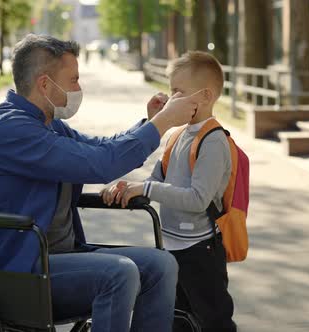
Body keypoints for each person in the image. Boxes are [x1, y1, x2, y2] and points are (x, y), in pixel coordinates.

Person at [0, 34, 202, 332]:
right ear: (44, 84)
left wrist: (150, 121)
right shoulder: (8, 129)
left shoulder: (49, 125)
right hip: (20, 270)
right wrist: (164, 123)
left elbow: (102, 148)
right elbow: (100, 165)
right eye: (74, 79)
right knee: (120, 274)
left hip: (60, 258)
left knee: (161, 265)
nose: (79, 88)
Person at [101, 51, 237, 331]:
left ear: (206, 96)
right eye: (171, 90)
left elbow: (198, 199)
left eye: (179, 92)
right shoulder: (176, 135)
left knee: (214, 320)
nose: (171, 99)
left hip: (201, 250)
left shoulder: (213, 141)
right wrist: (131, 187)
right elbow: (156, 180)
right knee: (178, 321)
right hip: (172, 247)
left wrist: (148, 187)